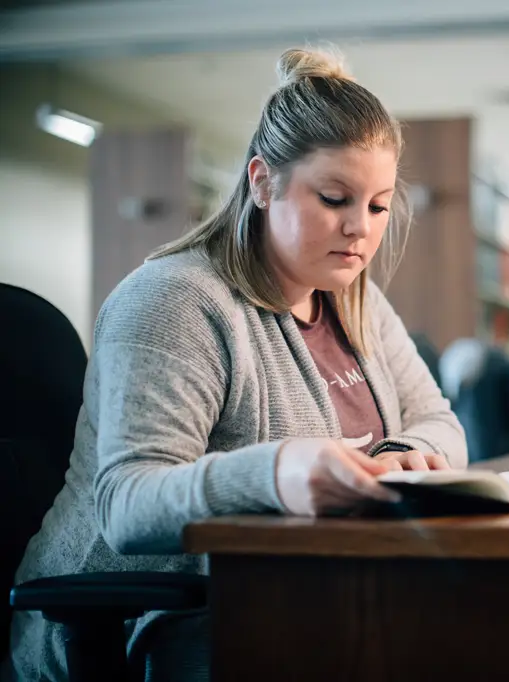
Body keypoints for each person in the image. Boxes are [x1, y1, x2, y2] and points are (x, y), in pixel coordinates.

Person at [4, 46, 466, 682]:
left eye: (379, 206)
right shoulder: (173, 299)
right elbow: (127, 504)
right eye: (335, 198)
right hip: (151, 628)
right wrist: (274, 473)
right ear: (262, 182)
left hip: (306, 599)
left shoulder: (357, 298)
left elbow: (441, 422)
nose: (361, 228)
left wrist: (403, 450)